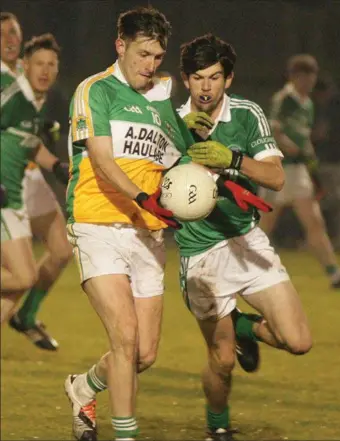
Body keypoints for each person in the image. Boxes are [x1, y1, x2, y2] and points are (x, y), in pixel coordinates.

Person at [63, 9, 271, 441]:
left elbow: (184, 163)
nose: (150, 64)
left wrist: (228, 189)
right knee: (124, 336)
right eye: (143, 54)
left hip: (147, 234)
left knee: (141, 354)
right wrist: (142, 197)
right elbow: (101, 160)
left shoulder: (160, 98)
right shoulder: (95, 91)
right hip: (97, 223)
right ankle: (126, 434)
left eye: (157, 55)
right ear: (121, 47)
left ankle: (84, 386)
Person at [175, 34, 313, 441]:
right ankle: (218, 428)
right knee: (222, 361)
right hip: (201, 252)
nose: (205, 87)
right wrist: (178, 142)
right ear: (186, 80)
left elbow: (276, 176)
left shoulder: (248, 114)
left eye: (214, 77)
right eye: (198, 77)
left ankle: (244, 327)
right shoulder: (170, 120)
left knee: (299, 341)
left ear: (228, 80)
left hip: (247, 241)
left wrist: (232, 158)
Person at [0, 12, 73, 350]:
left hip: (22, 178)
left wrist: (55, 161)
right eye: (2, 35)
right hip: (8, 182)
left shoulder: (25, 81)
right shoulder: (11, 84)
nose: (9, 39)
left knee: (57, 251)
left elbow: (25, 135)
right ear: (29, 63)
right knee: (20, 275)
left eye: (13, 32)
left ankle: (26, 317)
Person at [259, 54, 340, 289]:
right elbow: (273, 129)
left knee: (314, 222)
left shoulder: (307, 103)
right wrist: (285, 144)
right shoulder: (285, 98)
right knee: (264, 227)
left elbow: (304, 137)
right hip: (279, 169)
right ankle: (233, 268)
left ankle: (334, 274)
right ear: (293, 77)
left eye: (311, 76)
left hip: (298, 170)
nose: (308, 81)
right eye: (303, 76)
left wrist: (310, 159)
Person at [312, 74, 340, 251]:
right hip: (336, 163)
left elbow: (321, 133)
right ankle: (336, 241)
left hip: (339, 162)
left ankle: (338, 241)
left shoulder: (337, 108)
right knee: (338, 204)